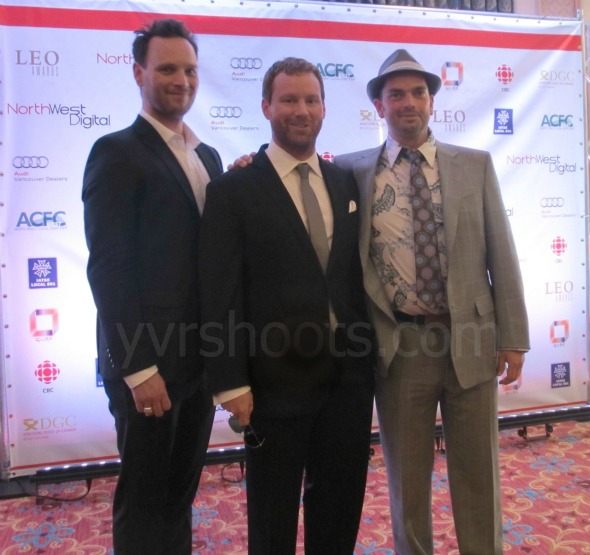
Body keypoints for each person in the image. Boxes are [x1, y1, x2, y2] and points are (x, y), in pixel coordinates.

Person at [334, 49, 530, 554]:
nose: (408, 102)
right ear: (378, 106)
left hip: (472, 339)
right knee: (407, 483)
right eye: (396, 94)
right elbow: (292, 179)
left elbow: (501, 255)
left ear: (432, 102)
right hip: (401, 346)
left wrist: (513, 337)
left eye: (418, 92)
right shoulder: (349, 172)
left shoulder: (474, 165)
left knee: (478, 476)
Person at [198, 57, 375, 554]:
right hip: (273, 381)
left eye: (311, 99)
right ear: (266, 106)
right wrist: (229, 380)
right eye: (290, 100)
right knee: (273, 513)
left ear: (323, 107)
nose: (302, 110)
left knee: (340, 505)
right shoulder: (234, 189)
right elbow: (220, 293)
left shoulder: (343, 181)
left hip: (348, 378)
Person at [82, 19, 222, 555]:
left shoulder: (204, 156)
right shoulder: (116, 152)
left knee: (179, 496)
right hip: (149, 369)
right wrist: (139, 369)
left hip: (198, 363)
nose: (180, 79)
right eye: (167, 68)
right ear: (139, 72)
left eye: (188, 69)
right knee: (143, 501)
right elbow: (109, 269)